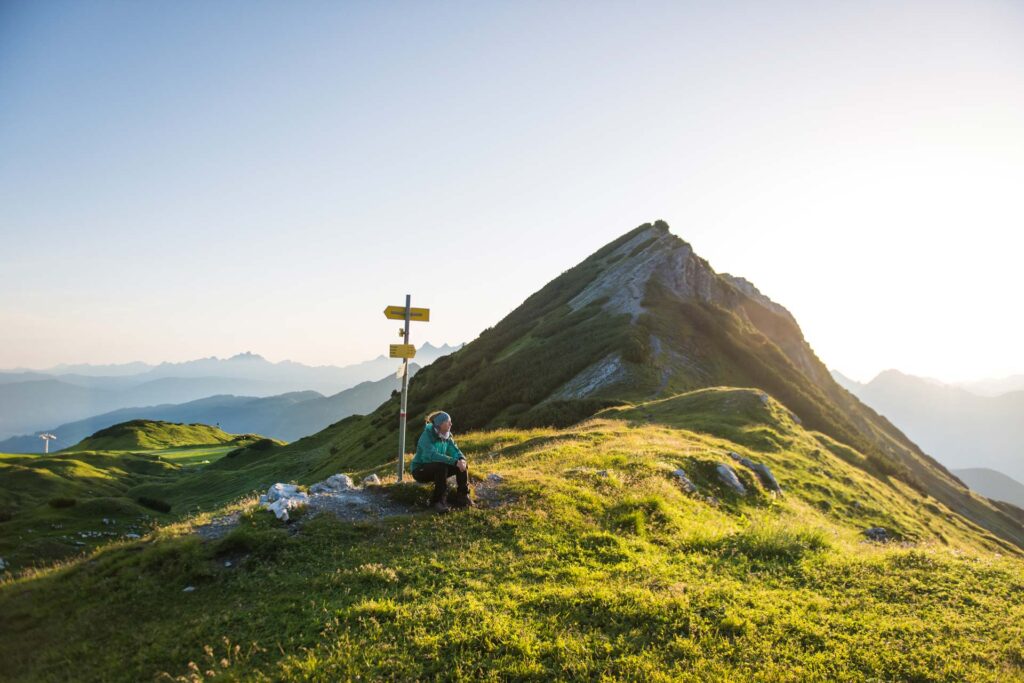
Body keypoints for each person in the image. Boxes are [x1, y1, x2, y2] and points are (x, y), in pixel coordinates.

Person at [410, 410, 474, 513]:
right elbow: (432, 456)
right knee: (442, 467)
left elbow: (455, 450)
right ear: (440, 424)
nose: (451, 424)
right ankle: (438, 502)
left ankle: (463, 495)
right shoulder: (426, 436)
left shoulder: (447, 435)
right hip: (420, 470)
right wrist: (454, 461)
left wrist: (461, 459)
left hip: (437, 468)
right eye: (448, 422)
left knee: (462, 465)